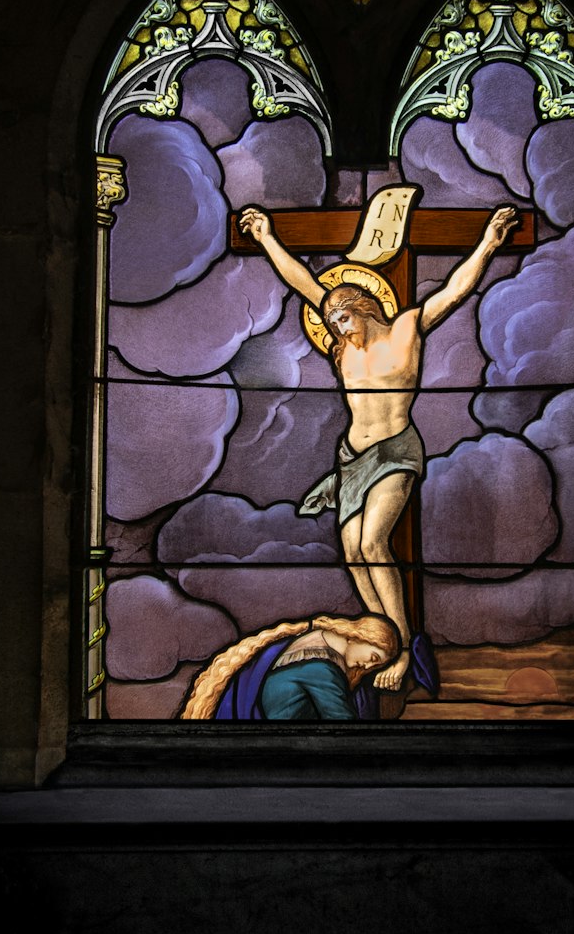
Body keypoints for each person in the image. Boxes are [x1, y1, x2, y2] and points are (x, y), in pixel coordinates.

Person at [238, 201, 519, 692]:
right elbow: (302, 281)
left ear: (363, 307)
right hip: (351, 459)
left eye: (342, 317)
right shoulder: (344, 348)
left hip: (394, 450)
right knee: (352, 551)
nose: (337, 328)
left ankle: (407, 648)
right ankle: (381, 641)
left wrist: (489, 244)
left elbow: (455, 290)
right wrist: (265, 239)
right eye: (330, 322)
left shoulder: (407, 329)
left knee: (373, 543)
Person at [181, 614, 400, 720]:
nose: (368, 665)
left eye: (376, 665)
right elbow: (344, 725)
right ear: (356, 637)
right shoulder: (324, 670)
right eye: (373, 656)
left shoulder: (305, 642)